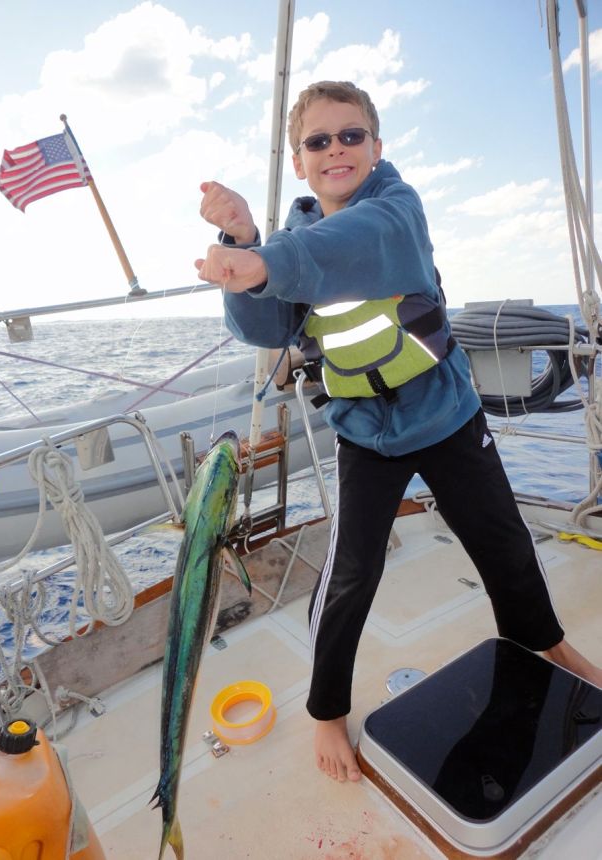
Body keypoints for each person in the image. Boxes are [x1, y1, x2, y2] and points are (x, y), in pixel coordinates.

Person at [195, 80, 602, 783]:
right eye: (318, 141)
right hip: (364, 434)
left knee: (503, 543)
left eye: (351, 135)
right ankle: (327, 710)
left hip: (446, 416)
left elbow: (363, 244)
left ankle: (546, 644)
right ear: (298, 161)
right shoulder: (287, 246)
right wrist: (243, 243)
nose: (336, 149)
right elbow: (264, 326)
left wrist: (267, 261)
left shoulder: (396, 208)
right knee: (351, 573)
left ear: (376, 146)